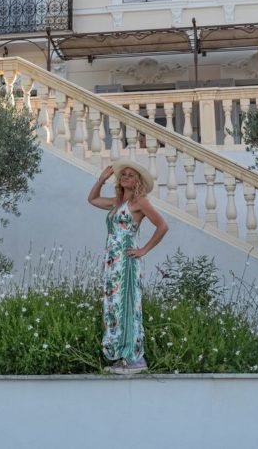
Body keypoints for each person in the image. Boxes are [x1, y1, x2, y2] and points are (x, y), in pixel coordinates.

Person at [87, 158, 169, 374]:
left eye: (131, 175)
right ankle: (120, 355)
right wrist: (102, 178)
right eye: (123, 174)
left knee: (127, 303)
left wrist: (144, 249)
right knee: (114, 304)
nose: (125, 177)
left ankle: (134, 357)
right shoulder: (116, 202)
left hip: (126, 259)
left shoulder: (140, 203)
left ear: (138, 180)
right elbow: (92, 199)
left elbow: (162, 226)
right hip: (112, 261)